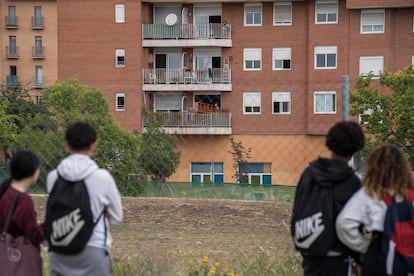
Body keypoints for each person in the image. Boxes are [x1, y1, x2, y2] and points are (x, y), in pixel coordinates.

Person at [46, 122, 123, 276]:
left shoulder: (53, 177)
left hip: (59, 249)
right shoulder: (102, 177)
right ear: (93, 145)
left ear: (67, 145)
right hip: (93, 249)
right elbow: (117, 216)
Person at [291, 121, 366, 276]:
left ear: (330, 143)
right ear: (356, 147)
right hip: (339, 258)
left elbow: (298, 208)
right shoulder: (353, 181)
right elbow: (357, 222)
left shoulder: (309, 173)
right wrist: (359, 259)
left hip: (311, 253)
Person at [336, 144, 414, 276]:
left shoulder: (370, 193)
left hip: (377, 258)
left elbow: (344, 223)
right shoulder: (411, 193)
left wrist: (365, 247)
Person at [0, 150, 44, 251]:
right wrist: (48, 226)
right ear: (32, 170)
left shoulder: (6, 191)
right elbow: (33, 235)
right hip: (15, 257)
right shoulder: (23, 200)